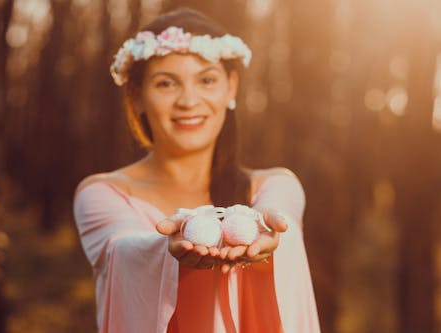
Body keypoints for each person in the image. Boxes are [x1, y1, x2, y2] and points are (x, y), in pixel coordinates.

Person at [73, 7, 320, 333]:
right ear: (136, 97)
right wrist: (167, 247)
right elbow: (125, 248)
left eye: (206, 80)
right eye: (166, 84)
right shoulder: (103, 193)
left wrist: (263, 228)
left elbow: (278, 215)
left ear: (231, 88)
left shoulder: (276, 186)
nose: (189, 101)